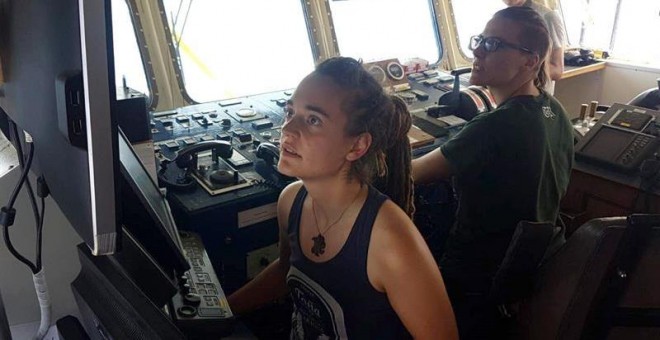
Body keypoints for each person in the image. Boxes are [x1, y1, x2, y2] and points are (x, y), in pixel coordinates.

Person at [228, 57, 458, 339]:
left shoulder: (390, 239)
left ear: (357, 145)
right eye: (290, 113)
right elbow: (286, 273)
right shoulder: (292, 201)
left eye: (313, 120)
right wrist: (221, 311)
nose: (287, 130)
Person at [412, 6, 574, 338]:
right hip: (527, 270)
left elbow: (410, 174)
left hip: (475, 279)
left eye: (493, 45)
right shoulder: (554, 110)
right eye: (480, 40)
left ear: (529, 62)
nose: (477, 50)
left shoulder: (498, 125)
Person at [504, 0, 566, 92]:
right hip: (506, 96)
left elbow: (557, 70)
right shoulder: (501, 18)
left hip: (536, 98)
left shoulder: (548, 16)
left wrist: (519, 70)